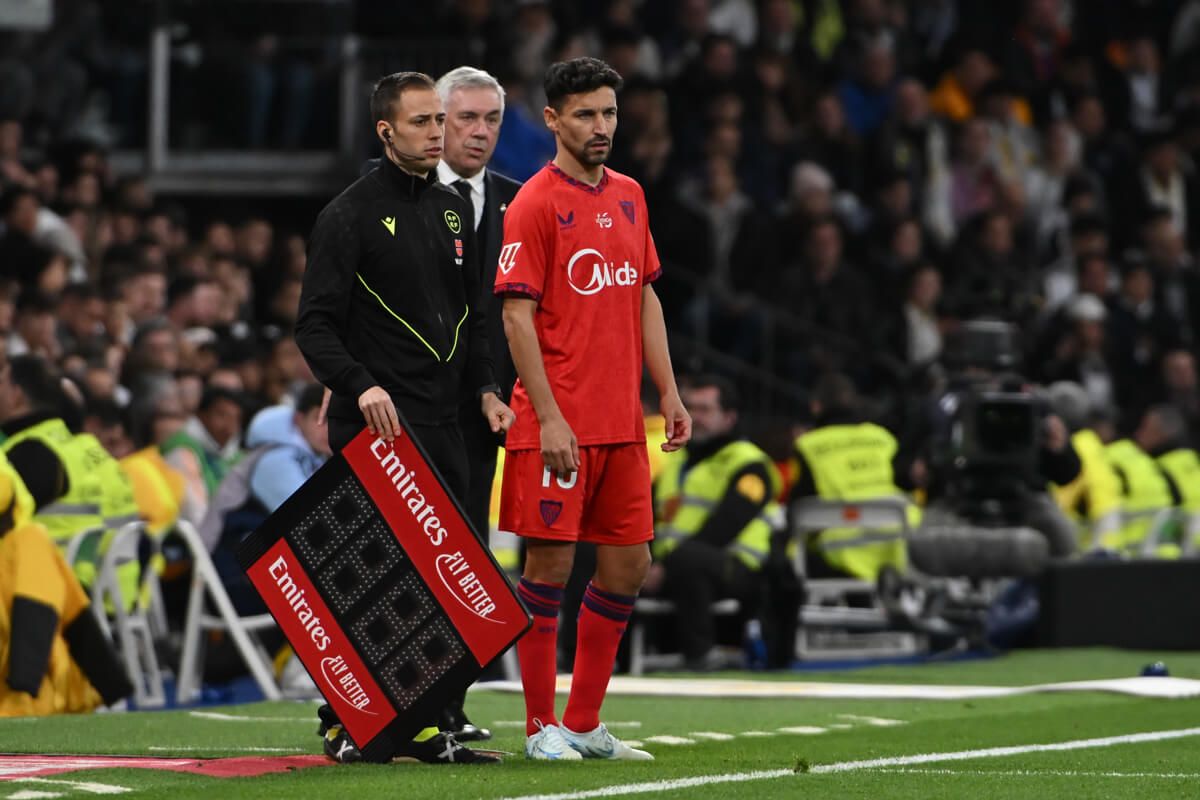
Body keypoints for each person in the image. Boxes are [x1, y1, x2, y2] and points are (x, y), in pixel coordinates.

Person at [295, 71, 514, 766]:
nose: (435, 133)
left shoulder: (453, 209)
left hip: (446, 420)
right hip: (379, 425)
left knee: (450, 574)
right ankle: (346, 721)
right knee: (379, 576)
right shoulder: (347, 215)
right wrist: (359, 387)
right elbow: (315, 327)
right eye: (422, 122)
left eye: (436, 120)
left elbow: (472, 319)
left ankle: (435, 722)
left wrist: (484, 387)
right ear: (387, 131)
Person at [495, 57, 691, 762]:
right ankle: (538, 726)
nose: (601, 126)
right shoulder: (534, 204)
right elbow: (517, 319)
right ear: (552, 119)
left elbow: (643, 294)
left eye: (608, 112)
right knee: (548, 570)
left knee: (627, 568)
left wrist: (667, 390)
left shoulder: (632, 195)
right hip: (559, 426)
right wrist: (547, 417)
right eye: (585, 114)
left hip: (621, 426)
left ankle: (582, 722)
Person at [434, 66, 522, 742]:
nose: (480, 131)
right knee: (412, 554)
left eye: (490, 119)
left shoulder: (517, 204)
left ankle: (449, 704)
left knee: (468, 556)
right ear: (438, 122)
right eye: (466, 117)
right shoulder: (395, 201)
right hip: (411, 408)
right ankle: (381, 703)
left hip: (486, 414)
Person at [647, 375, 792, 670]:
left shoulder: (749, 463)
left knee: (689, 559)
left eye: (704, 409)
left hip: (737, 569)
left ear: (729, 417)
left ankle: (700, 656)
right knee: (601, 553)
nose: (694, 417)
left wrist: (663, 564)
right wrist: (641, 562)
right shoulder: (674, 462)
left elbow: (724, 527)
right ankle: (587, 660)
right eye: (689, 408)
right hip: (671, 568)